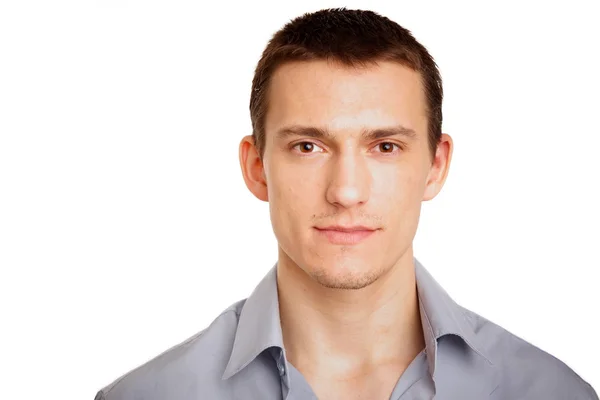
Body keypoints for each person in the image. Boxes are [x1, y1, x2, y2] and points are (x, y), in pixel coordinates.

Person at [94, 7, 598, 400]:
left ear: (436, 165)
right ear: (256, 167)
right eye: (308, 147)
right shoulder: (147, 395)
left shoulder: (552, 392)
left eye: (385, 147)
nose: (347, 191)